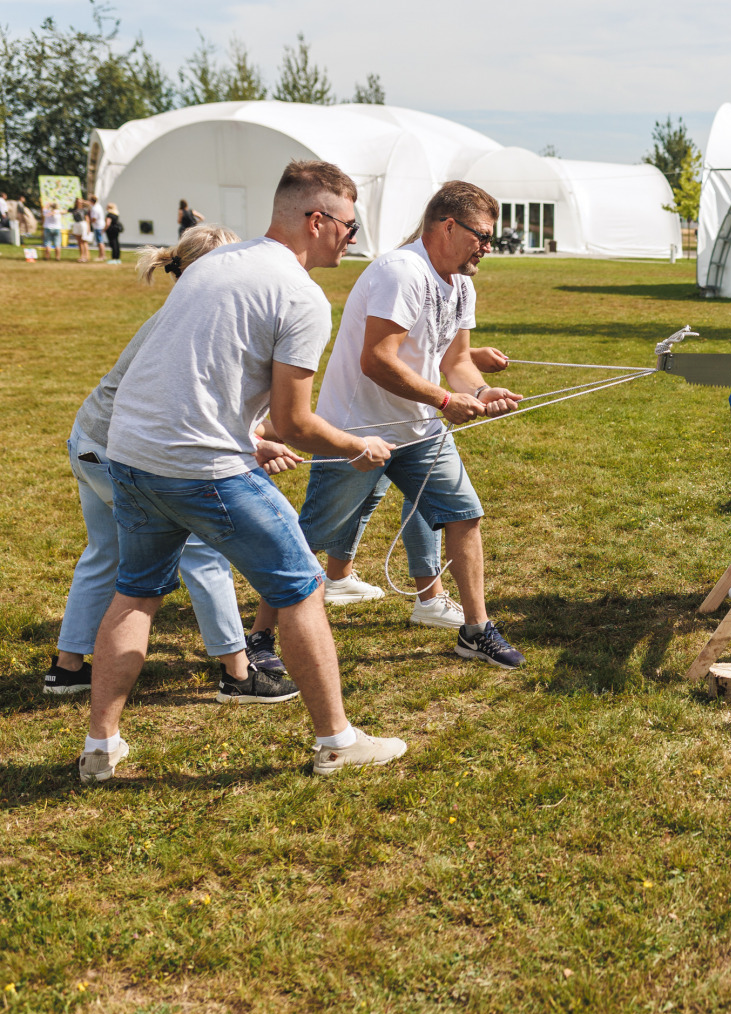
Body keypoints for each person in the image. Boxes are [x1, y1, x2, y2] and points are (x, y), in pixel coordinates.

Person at [84, 159, 407, 783]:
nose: (353, 238)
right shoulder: (301, 295)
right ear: (316, 220)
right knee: (303, 587)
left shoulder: (210, 263)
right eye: (347, 224)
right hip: (200, 468)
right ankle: (337, 741)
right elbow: (292, 424)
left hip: (129, 454)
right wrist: (355, 446)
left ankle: (101, 749)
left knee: (136, 591)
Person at [266, 181, 527, 668]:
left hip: (421, 432)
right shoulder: (400, 272)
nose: (488, 248)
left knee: (465, 516)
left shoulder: (462, 283)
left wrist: (477, 392)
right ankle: (262, 638)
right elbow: (377, 360)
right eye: (482, 237)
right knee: (308, 539)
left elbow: (458, 359)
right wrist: (446, 398)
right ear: (448, 226)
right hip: (357, 432)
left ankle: (475, 629)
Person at [46, 225, 297, 702]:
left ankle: (67, 668)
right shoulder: (197, 319)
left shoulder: (182, 310)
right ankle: (239, 674)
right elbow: (187, 410)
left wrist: (255, 440)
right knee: (203, 551)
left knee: (104, 555)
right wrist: (255, 443)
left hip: (89, 439)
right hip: (125, 451)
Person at [90, 196, 107, 260]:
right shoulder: (98, 206)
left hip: (98, 226)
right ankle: (102, 255)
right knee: (100, 241)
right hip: (100, 225)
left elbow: (94, 218)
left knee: (100, 241)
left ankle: (101, 256)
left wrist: (88, 221)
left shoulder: (95, 208)